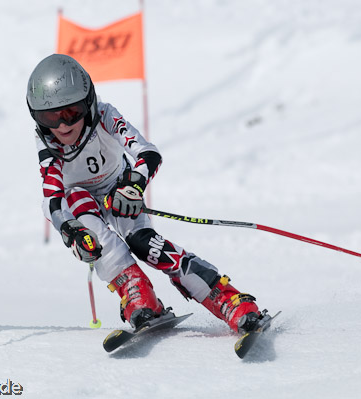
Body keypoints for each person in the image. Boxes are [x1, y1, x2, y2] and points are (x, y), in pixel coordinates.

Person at [27, 53, 270, 333]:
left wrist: (133, 187)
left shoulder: (105, 115)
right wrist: (70, 231)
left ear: (88, 103)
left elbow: (148, 153)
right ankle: (139, 297)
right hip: (80, 199)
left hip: (118, 187)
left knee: (146, 244)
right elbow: (52, 198)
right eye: (49, 117)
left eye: (70, 113)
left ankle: (229, 300)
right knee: (91, 234)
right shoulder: (47, 143)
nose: (62, 126)